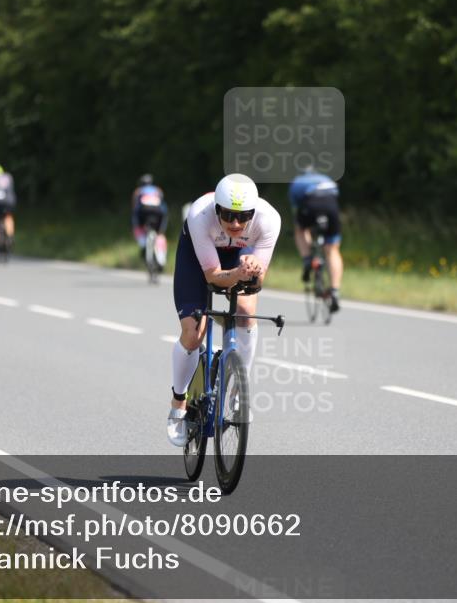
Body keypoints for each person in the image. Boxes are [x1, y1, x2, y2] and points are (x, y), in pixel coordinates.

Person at [166, 173, 281, 446]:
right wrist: (238, 274)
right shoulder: (199, 215)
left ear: (253, 213)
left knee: (244, 313)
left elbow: (257, 282)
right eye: (227, 215)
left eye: (243, 217)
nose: (235, 223)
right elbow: (213, 276)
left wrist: (251, 272)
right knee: (194, 332)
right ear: (216, 209)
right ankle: (178, 403)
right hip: (199, 259)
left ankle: (238, 392)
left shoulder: (269, 220)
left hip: (241, 255)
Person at [289, 166, 343, 313]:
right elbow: (335, 196)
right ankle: (335, 290)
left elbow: (296, 209)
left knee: (300, 230)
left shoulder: (296, 182)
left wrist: (302, 224)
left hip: (310, 204)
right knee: (332, 249)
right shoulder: (326, 179)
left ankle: (307, 260)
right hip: (331, 206)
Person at [131, 174, 168, 270]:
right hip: (158, 213)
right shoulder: (157, 189)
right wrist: (162, 226)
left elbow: (135, 207)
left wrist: (136, 224)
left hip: (143, 212)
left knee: (136, 219)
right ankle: (161, 257)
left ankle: (143, 244)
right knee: (160, 233)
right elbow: (163, 205)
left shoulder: (138, 191)